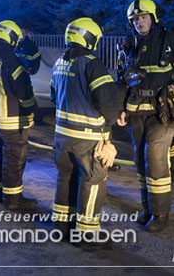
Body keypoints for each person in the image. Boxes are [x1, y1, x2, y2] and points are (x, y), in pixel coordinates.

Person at [117, 0, 174, 233]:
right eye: (135, 19)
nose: (140, 22)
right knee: (140, 161)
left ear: (153, 18)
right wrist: (120, 108)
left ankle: (161, 213)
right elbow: (121, 79)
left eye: (144, 17)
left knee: (155, 158)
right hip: (136, 111)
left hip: (162, 112)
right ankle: (148, 209)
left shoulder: (168, 39)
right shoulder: (128, 45)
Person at [50, 17, 122, 240]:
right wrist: (109, 130)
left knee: (65, 178)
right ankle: (87, 234)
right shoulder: (92, 63)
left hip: (62, 136)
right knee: (93, 181)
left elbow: (54, 96)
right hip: (88, 137)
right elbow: (107, 102)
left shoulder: (59, 62)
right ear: (90, 38)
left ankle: (62, 226)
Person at [0, 20, 38, 210]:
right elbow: (24, 92)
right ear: (11, 38)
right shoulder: (12, 61)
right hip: (13, 123)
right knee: (14, 161)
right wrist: (32, 111)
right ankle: (14, 200)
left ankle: (0, 192)